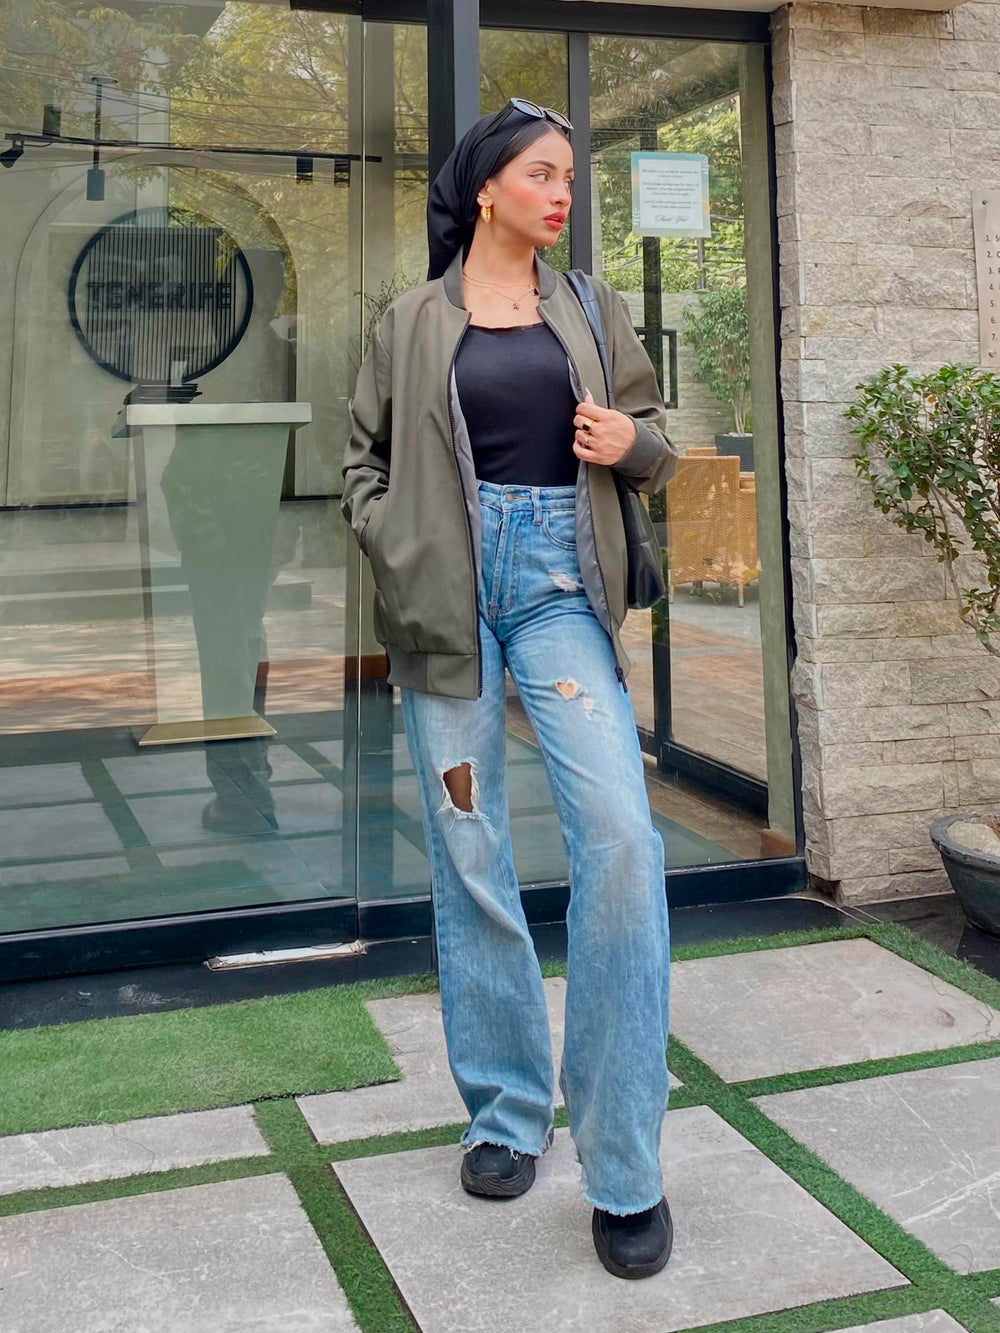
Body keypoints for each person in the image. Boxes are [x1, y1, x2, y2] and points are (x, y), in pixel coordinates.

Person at [341, 97, 678, 1280]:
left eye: (568, 177)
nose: (561, 192)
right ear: (485, 186)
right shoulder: (410, 319)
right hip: (446, 604)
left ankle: (624, 1163)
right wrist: (399, 540)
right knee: (470, 843)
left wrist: (629, 446)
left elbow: (654, 438)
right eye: (542, 173)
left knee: (621, 842)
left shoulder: (591, 306)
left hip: (558, 588)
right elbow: (361, 462)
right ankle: (504, 1109)